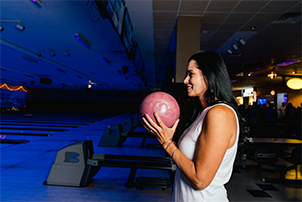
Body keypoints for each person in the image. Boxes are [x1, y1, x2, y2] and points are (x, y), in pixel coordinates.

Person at [142, 51, 248, 202]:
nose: (185, 80)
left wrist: (167, 144)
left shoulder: (219, 114)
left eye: (190, 74)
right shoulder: (203, 113)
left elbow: (200, 180)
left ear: (209, 75)